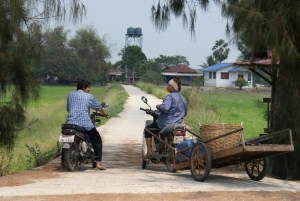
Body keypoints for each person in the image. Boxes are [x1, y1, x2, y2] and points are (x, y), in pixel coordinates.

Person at [64, 80, 107, 170]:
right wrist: (104, 113)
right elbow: (98, 107)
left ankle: (62, 161)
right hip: (84, 123)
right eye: (88, 88)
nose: (89, 90)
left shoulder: (70, 95)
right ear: (84, 87)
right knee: (97, 139)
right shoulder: (88, 97)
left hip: (69, 123)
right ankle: (98, 163)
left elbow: (68, 109)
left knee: (66, 139)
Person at [144, 77, 187, 159]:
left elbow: (165, 108)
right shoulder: (183, 98)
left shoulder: (170, 97)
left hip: (166, 123)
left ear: (172, 87)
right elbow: (185, 113)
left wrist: (159, 106)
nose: (167, 86)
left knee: (148, 129)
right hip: (178, 123)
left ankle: (149, 151)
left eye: (168, 85)